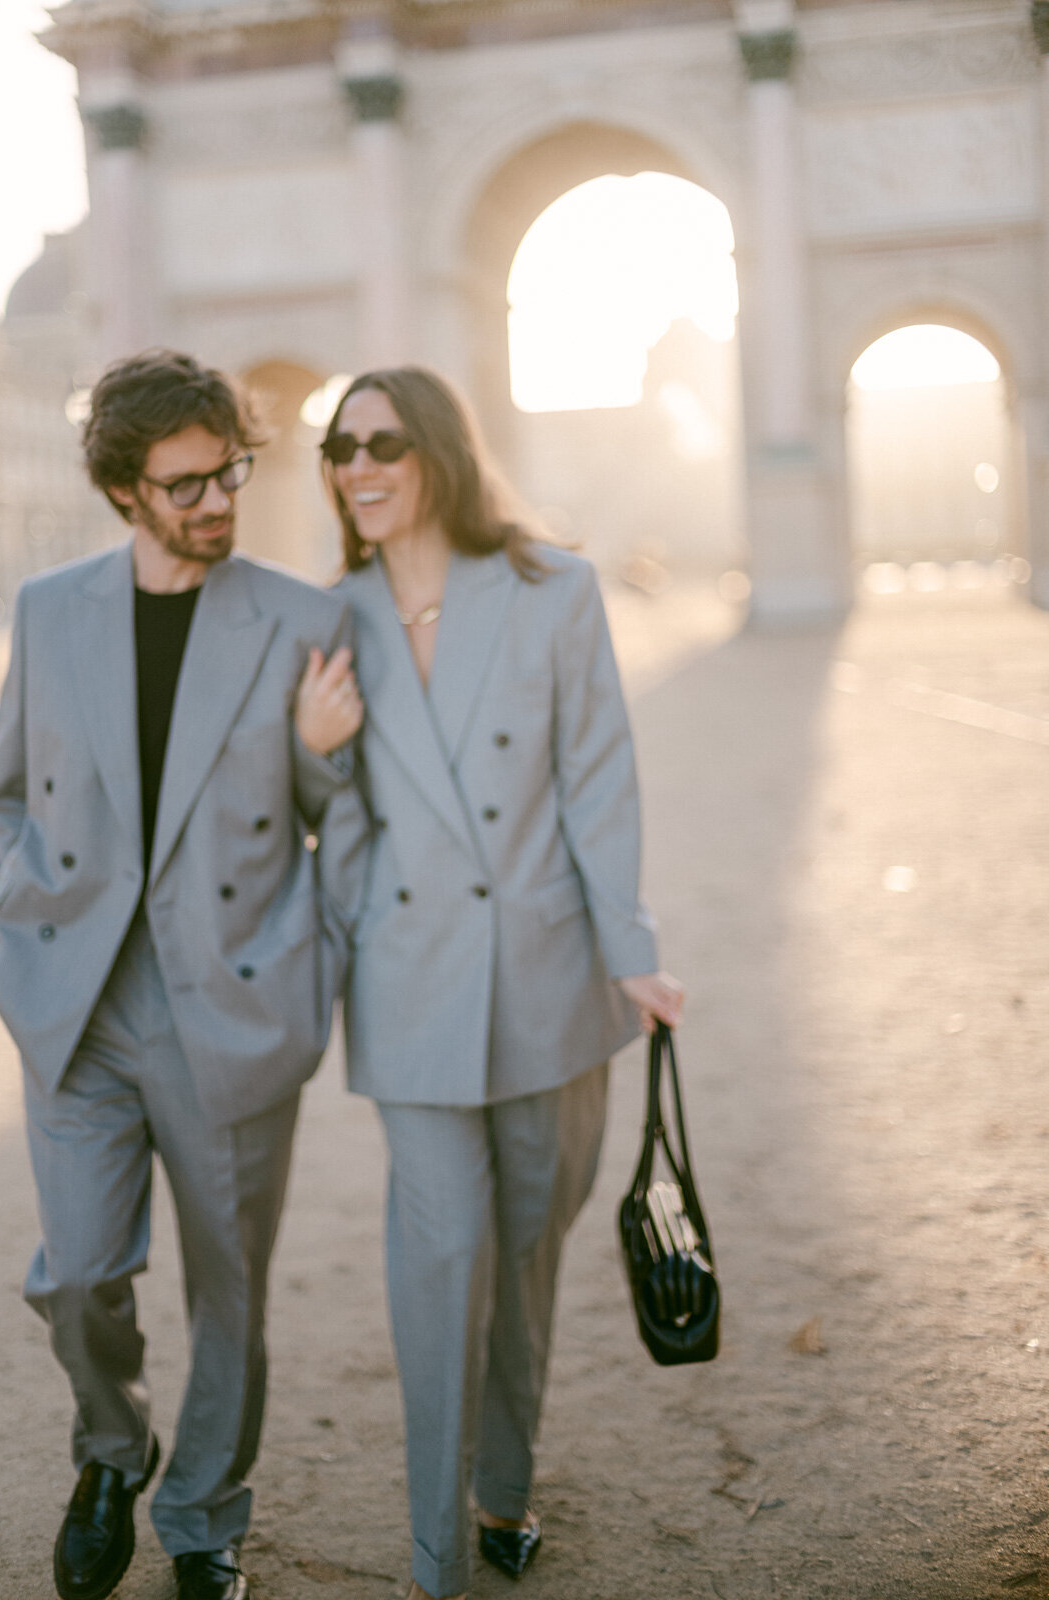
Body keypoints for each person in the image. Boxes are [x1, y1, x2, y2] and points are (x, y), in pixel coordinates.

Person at [0, 350, 368, 1600]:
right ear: (123, 489)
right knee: (80, 1273)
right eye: (187, 482)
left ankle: (204, 1516)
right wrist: (35, 913)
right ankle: (114, 1448)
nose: (217, 501)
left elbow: (341, 820)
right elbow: (9, 796)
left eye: (231, 472)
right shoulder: (51, 610)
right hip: (79, 1006)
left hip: (234, 1004)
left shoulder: (303, 619)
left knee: (230, 1295)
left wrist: (322, 761)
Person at [320, 367, 685, 1600]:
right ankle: (434, 1554)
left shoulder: (553, 591)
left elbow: (599, 777)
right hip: (410, 985)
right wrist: (315, 759)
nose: (357, 467)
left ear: (436, 452)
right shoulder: (330, 620)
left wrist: (630, 947)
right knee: (439, 1262)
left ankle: (504, 1492)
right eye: (338, 447)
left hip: (548, 983)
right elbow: (326, 813)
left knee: (525, 1258)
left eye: (380, 442)